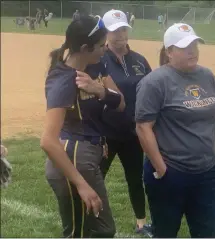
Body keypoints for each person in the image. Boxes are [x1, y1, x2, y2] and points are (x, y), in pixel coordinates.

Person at [135, 23, 215, 238]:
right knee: (166, 232)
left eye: (195, 44)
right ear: (169, 52)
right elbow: (143, 128)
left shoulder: (206, 76)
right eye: (185, 46)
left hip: (206, 172)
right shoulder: (155, 82)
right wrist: (162, 170)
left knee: (207, 233)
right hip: (170, 173)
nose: (192, 50)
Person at [40, 15, 125, 238]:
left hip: (86, 155)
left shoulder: (93, 68)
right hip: (75, 158)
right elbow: (48, 140)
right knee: (82, 232)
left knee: (99, 230)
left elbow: (121, 103)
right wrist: (81, 184)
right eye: (100, 45)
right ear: (86, 48)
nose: (105, 49)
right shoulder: (64, 80)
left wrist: (100, 91)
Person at [98, 9, 153, 237]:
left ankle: (141, 222)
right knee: (97, 177)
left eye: (123, 29)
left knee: (135, 178)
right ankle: (93, 218)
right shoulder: (99, 59)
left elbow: (151, 90)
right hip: (106, 132)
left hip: (133, 132)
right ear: (106, 34)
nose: (120, 34)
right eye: (114, 30)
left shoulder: (139, 60)